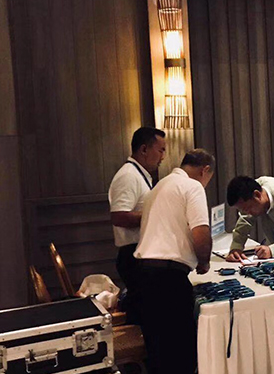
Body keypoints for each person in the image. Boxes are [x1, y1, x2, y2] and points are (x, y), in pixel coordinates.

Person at [134, 149, 216, 374]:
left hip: (143, 274)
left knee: (157, 352)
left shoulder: (158, 187)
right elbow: (200, 231)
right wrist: (204, 262)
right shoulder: (192, 186)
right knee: (180, 353)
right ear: (205, 170)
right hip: (168, 278)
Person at [107, 127, 166, 324]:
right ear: (144, 149)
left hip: (141, 254)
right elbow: (119, 217)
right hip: (133, 256)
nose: (163, 157)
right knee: (145, 317)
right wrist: (155, 215)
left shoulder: (140, 175)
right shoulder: (128, 176)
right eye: (161, 150)